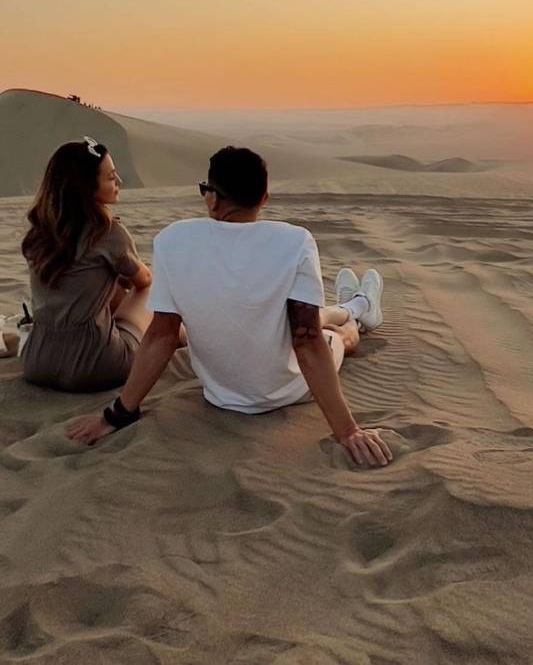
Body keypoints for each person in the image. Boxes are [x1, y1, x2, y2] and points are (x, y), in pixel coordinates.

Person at [67, 147, 393, 467]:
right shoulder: (295, 242)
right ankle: (361, 310)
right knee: (337, 336)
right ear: (264, 199)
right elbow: (307, 340)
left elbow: (161, 336)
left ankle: (353, 304)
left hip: (221, 392)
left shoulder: (173, 240)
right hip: (284, 389)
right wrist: (348, 431)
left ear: (211, 197)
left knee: (311, 320)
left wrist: (117, 415)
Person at [21, 137, 153, 391]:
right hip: (97, 366)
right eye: (111, 177)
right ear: (88, 186)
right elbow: (144, 281)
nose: (119, 182)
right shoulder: (107, 232)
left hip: (37, 362)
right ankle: (176, 338)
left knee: (111, 282)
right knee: (150, 287)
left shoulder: (39, 233)